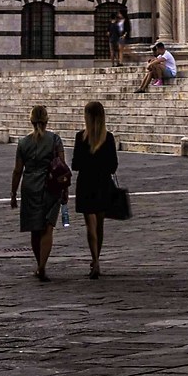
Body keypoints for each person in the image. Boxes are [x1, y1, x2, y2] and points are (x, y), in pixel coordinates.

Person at [10, 103, 65, 280]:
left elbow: (18, 170)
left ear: (31, 120)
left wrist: (13, 193)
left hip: (29, 186)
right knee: (47, 228)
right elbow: (61, 167)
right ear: (46, 120)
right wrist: (65, 189)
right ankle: (42, 265)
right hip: (50, 186)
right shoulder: (55, 140)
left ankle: (39, 265)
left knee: (35, 228)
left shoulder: (23, 142)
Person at [72, 99, 124, 279]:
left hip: (86, 182)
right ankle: (97, 260)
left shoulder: (81, 137)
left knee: (90, 224)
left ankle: (94, 258)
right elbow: (113, 165)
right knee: (100, 224)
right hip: (102, 183)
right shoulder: (108, 138)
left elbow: (75, 164)